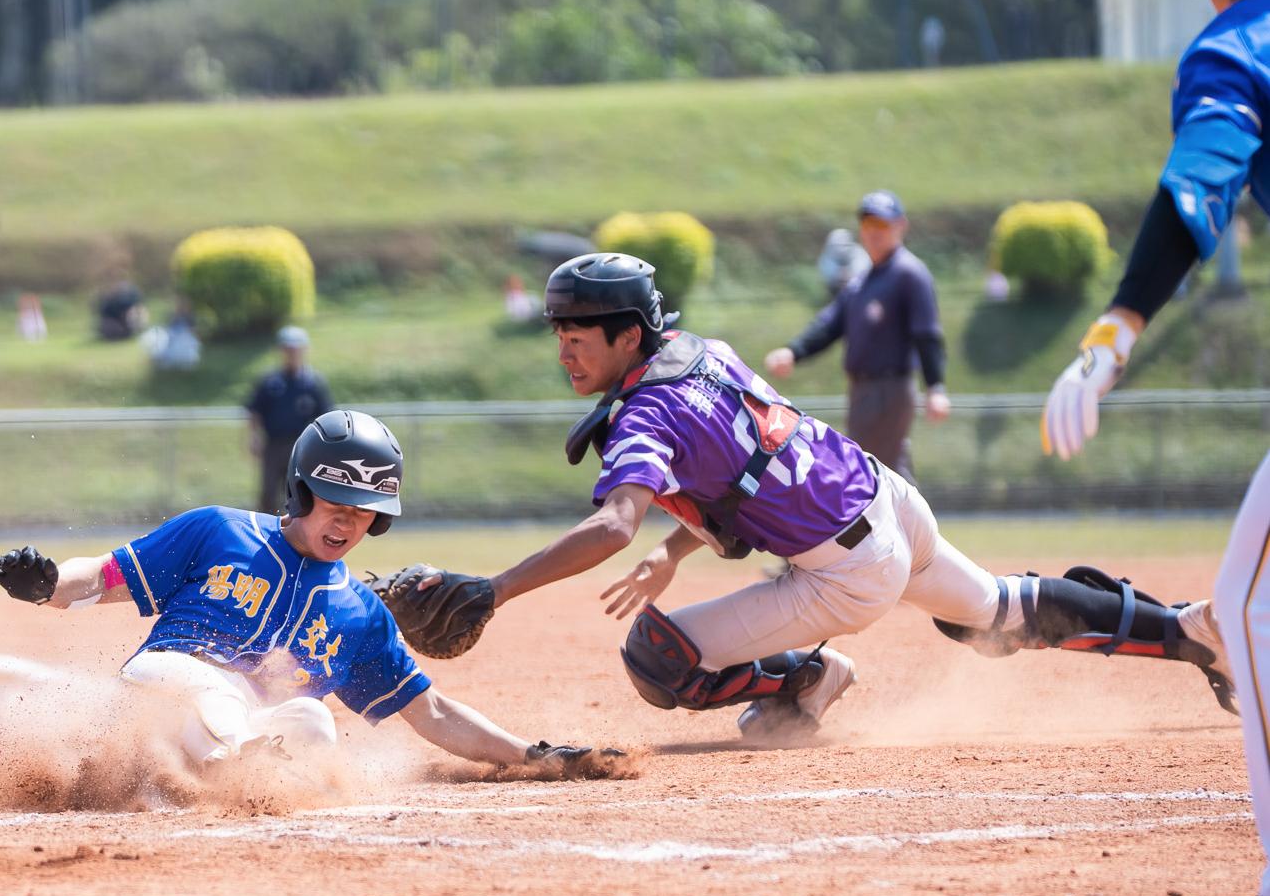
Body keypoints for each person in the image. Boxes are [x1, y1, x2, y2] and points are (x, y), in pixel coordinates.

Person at [380, 253, 1234, 751]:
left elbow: (612, 521)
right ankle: (1192, 630)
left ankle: (812, 676)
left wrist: (495, 590)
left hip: (845, 570)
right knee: (994, 613)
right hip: (887, 498)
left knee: (653, 658)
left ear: (627, 335)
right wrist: (674, 548)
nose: (564, 353)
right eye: (558, 337)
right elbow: (737, 471)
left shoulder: (646, 411)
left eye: (576, 337)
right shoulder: (699, 352)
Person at [1040, 0, 1270, 896]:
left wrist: (1112, 327)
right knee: (1238, 601)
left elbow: (1197, 192)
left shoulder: (1235, 46)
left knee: (1247, 612)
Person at [0, 409, 618, 776]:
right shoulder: (219, 530)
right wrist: (49, 583)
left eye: (364, 511)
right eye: (336, 503)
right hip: (163, 685)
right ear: (303, 491)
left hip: (237, 728)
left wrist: (533, 756)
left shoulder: (362, 615)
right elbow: (106, 578)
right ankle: (208, 762)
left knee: (312, 721)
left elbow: (435, 713)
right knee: (214, 690)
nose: (347, 522)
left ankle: (232, 774)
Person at [764, 190, 950, 482]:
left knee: (868, 474)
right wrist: (794, 351)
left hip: (889, 389)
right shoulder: (863, 280)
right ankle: (915, 528)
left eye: (882, 225)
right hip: (863, 392)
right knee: (889, 473)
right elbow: (829, 324)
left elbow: (926, 333)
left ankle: (903, 528)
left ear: (901, 225)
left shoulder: (908, 274)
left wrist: (935, 386)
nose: (874, 233)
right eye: (868, 225)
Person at [246, 326, 334, 514]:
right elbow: (255, 410)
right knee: (268, 492)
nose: (292, 354)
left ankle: (296, 533)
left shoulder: (313, 382)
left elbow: (325, 416)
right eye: (288, 349)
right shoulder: (270, 381)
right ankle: (264, 531)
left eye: (296, 349)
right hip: (274, 445)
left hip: (302, 447)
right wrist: (254, 437)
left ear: (304, 350)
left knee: (299, 491)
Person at [817, 228, 870, 298]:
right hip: (834, 290)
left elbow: (863, 273)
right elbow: (827, 274)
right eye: (837, 245)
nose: (841, 248)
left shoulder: (859, 254)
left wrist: (849, 275)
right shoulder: (827, 255)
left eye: (844, 245)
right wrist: (839, 275)